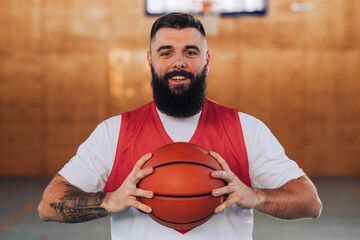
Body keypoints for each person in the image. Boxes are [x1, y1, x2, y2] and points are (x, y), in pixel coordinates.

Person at [38, 12, 322, 240]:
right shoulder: (114, 132)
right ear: (150, 61)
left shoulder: (246, 129)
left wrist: (255, 195)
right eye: (166, 53)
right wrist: (109, 200)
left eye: (190, 52)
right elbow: (48, 205)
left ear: (207, 60)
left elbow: (310, 202)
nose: (179, 62)